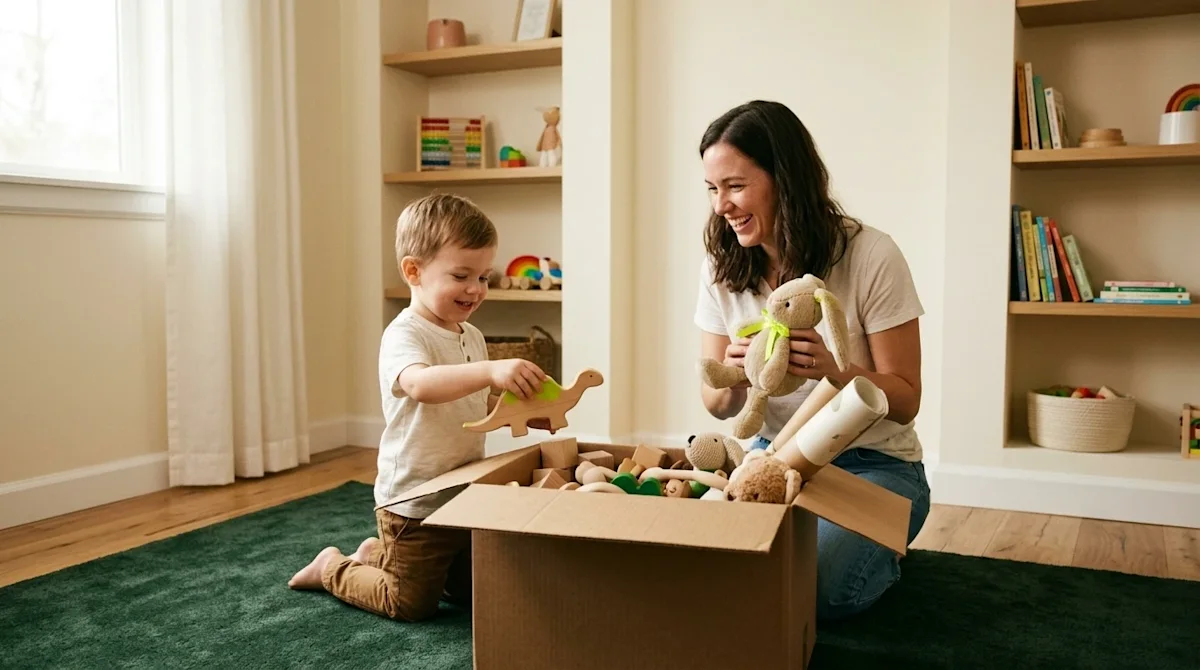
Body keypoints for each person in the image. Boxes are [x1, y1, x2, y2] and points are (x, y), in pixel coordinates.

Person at [693, 100, 931, 621]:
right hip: (773, 459)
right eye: (712, 189)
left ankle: (883, 549)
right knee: (698, 559)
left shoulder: (871, 255)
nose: (721, 206)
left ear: (785, 179)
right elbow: (715, 403)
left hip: (875, 464)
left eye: (735, 186)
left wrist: (835, 371)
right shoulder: (722, 264)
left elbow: (907, 399)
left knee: (814, 588)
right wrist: (735, 377)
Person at [288, 193, 549, 621]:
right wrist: (490, 370)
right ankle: (332, 567)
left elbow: (473, 400)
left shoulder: (471, 336)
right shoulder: (405, 334)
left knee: (473, 591)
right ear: (413, 271)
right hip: (413, 501)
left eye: (483, 276)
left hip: (461, 493)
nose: (475, 289)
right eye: (461, 275)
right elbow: (421, 385)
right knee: (409, 603)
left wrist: (520, 413)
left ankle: (377, 556)